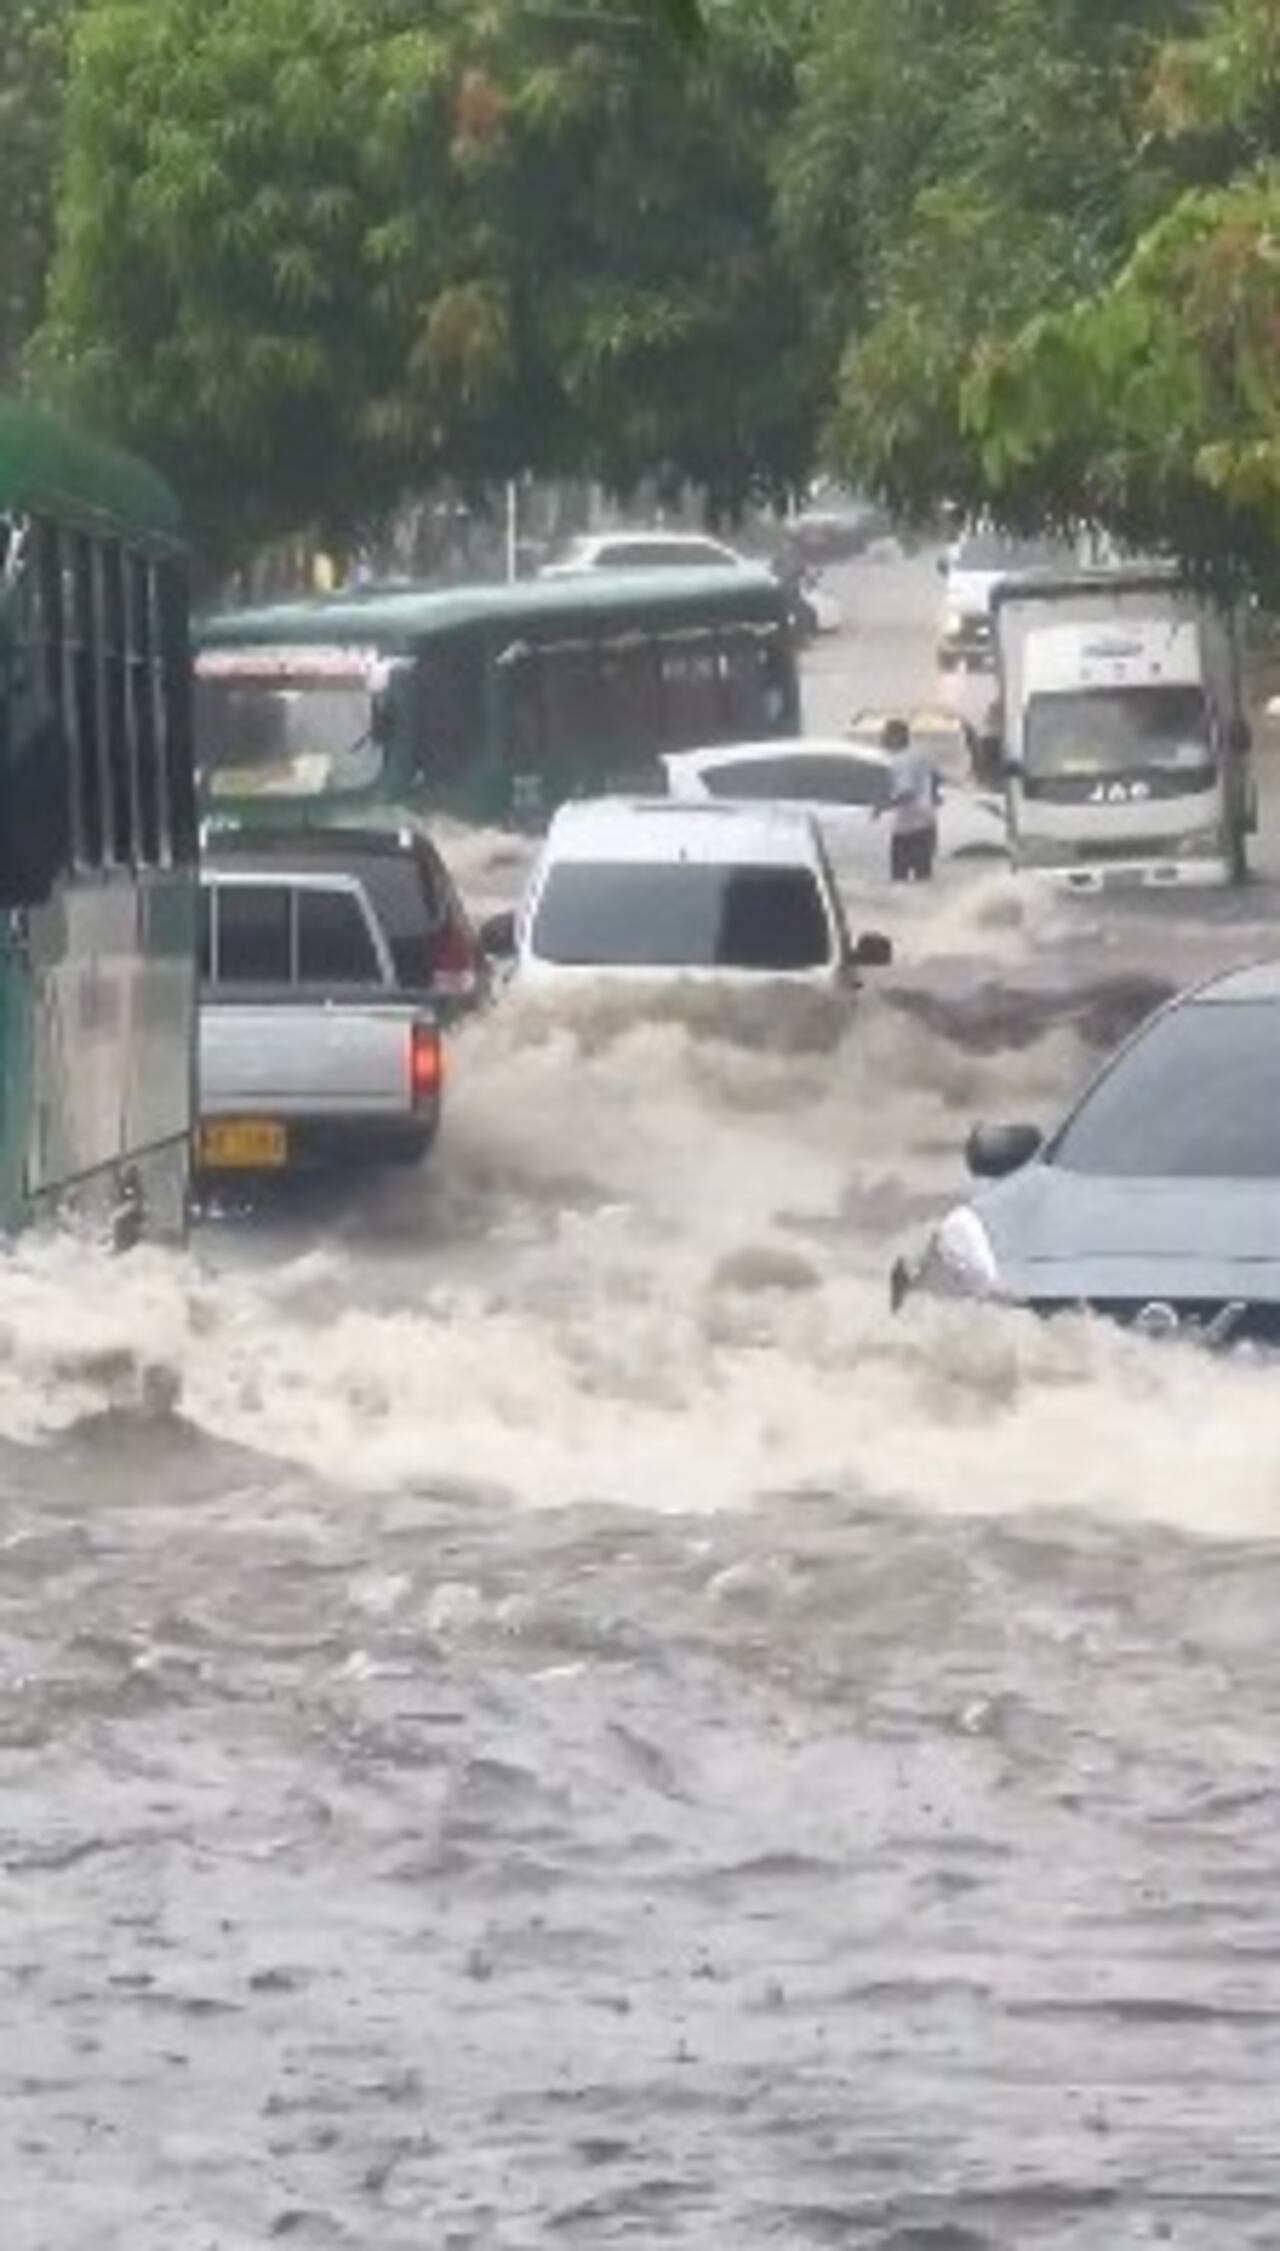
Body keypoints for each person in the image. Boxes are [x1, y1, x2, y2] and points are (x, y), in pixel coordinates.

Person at [878, 716, 940, 881]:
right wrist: (932, 800)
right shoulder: (919, 755)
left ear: (897, 737)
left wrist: (881, 806)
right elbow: (935, 780)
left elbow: (907, 793)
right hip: (927, 824)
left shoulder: (900, 761)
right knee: (924, 877)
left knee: (899, 880)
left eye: (885, 734)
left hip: (908, 829)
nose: (882, 739)